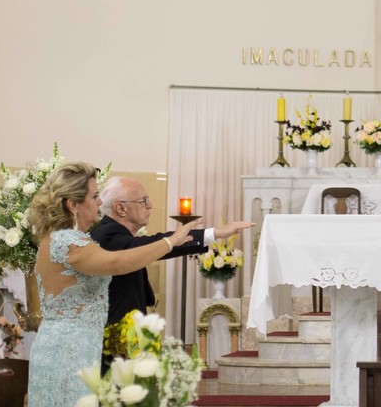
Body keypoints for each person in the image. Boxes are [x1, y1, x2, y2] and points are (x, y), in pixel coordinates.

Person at [24, 162, 202, 407]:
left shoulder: (57, 238)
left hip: (69, 346)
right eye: (95, 196)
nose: (100, 202)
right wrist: (169, 243)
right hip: (69, 353)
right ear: (72, 204)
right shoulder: (67, 241)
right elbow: (117, 263)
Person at [90, 176, 253, 329]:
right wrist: (213, 233)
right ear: (120, 208)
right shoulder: (107, 235)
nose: (150, 205)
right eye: (143, 201)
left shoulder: (114, 233)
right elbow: (150, 245)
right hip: (112, 337)